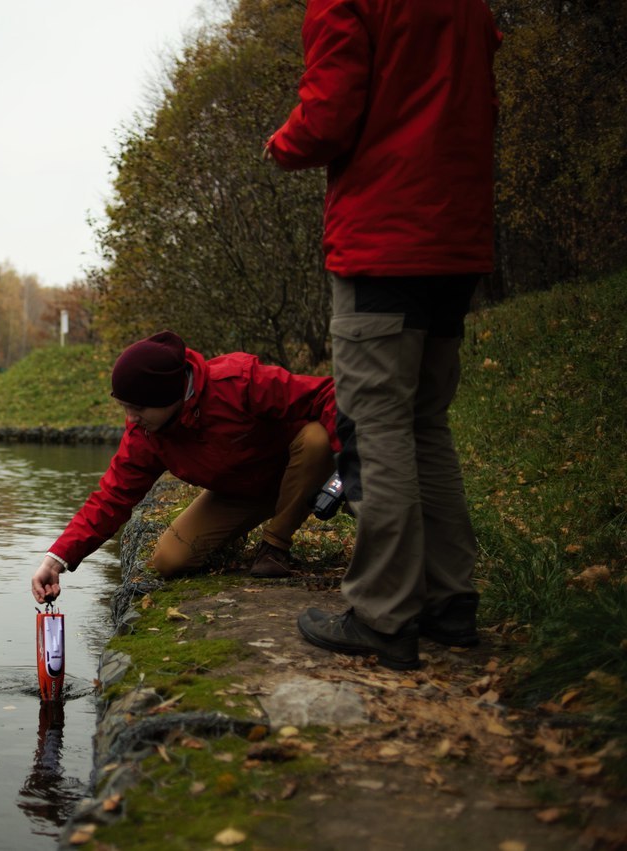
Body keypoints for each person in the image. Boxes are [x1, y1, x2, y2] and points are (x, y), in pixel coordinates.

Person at [264, 0, 501, 669]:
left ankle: (382, 614)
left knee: (377, 426)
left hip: (386, 237)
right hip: (458, 238)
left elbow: (328, 116)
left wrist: (282, 144)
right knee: (427, 421)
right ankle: (450, 602)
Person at [30, 330, 338, 605]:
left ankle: (275, 546)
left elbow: (325, 393)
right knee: (169, 560)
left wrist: (349, 461)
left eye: (138, 408)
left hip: (297, 471)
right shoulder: (146, 434)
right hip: (241, 493)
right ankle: (234, 537)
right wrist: (57, 560)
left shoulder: (238, 381)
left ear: (170, 396)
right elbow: (112, 498)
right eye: (125, 407)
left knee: (316, 438)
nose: (131, 418)